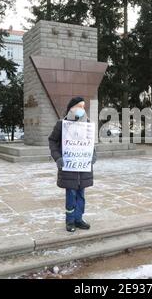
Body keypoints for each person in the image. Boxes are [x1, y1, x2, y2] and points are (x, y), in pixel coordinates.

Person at [48, 97, 97, 233]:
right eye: (79, 106)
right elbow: (52, 141)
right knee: (71, 194)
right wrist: (57, 158)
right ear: (72, 107)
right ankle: (70, 221)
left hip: (83, 168)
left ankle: (78, 219)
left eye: (83, 106)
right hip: (69, 167)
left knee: (81, 195)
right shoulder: (62, 124)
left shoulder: (87, 124)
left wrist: (93, 155)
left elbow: (90, 144)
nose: (82, 109)